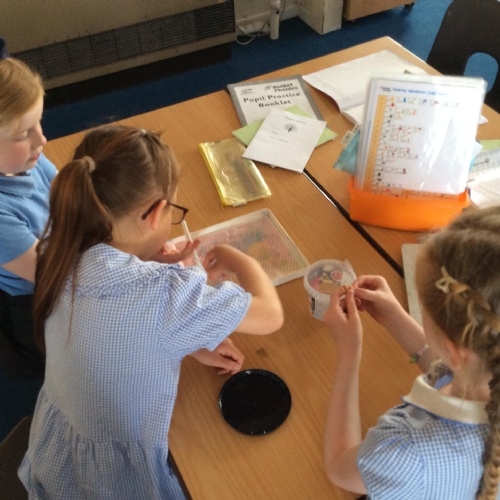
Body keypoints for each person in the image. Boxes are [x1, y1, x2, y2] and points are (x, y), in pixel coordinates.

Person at [18, 125, 284, 499]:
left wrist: (189, 339)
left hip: (60, 445)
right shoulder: (164, 292)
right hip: (114, 481)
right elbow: (271, 316)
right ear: (157, 212)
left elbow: (118, 328)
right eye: (174, 210)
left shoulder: (61, 245)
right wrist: (238, 259)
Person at [323, 205, 500, 500]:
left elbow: (339, 466)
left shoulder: (406, 452)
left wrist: (348, 352)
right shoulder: (484, 372)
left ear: (455, 351)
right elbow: (462, 370)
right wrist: (395, 318)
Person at [0, 55, 55, 379]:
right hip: (32, 300)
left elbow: (69, 195)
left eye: (39, 123)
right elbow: (52, 275)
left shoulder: (25, 159)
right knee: (48, 360)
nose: (42, 140)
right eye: (23, 134)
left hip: (56, 258)